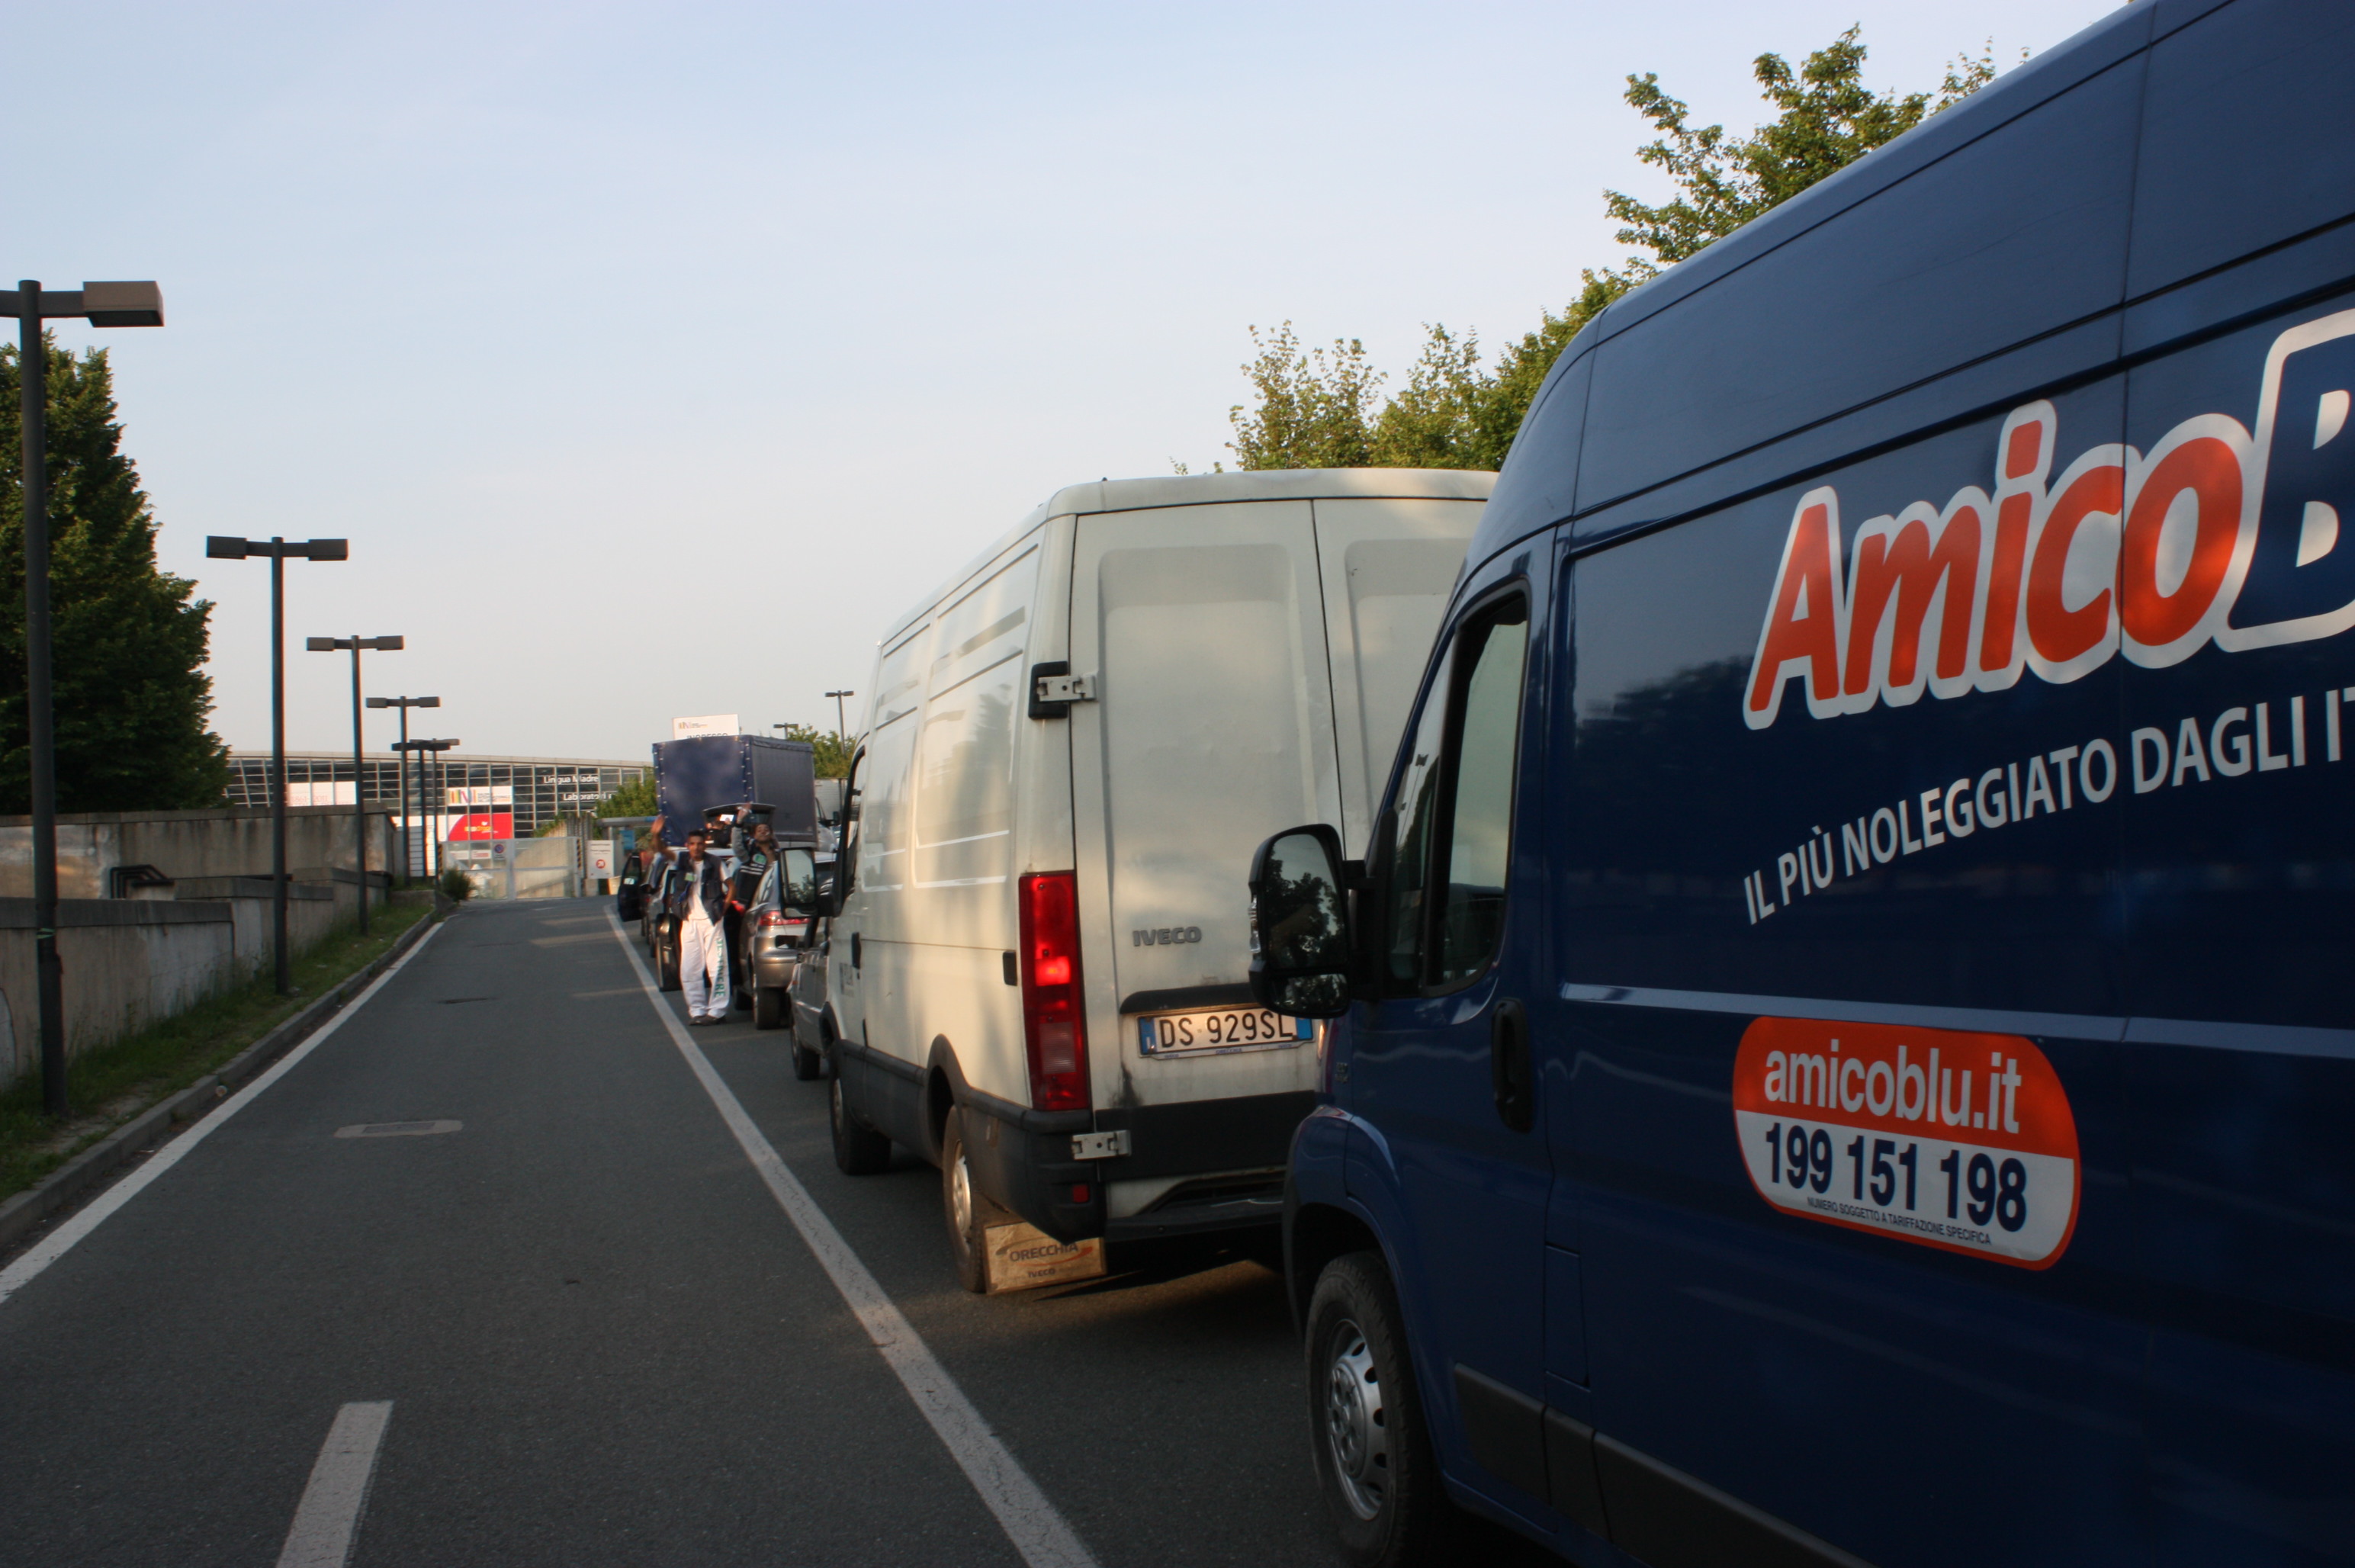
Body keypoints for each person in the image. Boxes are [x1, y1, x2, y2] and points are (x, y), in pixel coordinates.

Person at [670, 828, 732, 1025]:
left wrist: (723, 908)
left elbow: (732, 886)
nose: (696, 847)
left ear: (705, 845)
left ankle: (717, 1011)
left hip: (712, 921)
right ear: (687, 846)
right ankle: (697, 1010)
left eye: (700, 844)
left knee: (717, 966)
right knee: (689, 969)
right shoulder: (682, 862)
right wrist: (655, 835)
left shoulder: (715, 863)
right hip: (690, 922)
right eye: (693, 844)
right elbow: (662, 851)